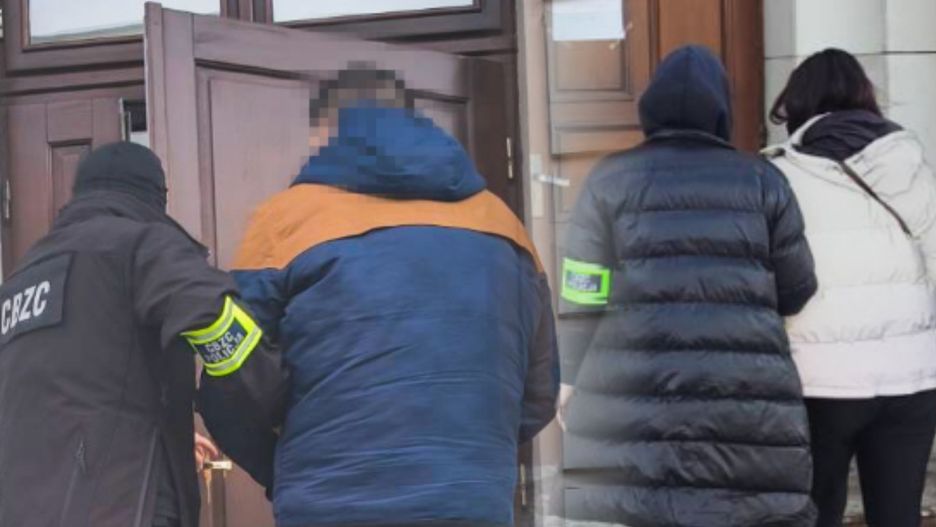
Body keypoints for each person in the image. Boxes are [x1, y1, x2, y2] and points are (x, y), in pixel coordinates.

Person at [223, 67, 559, 526]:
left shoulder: (285, 221)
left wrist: (288, 472)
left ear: (327, 131)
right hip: (470, 507)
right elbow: (539, 394)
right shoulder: (504, 226)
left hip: (331, 508)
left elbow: (233, 383)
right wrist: (465, 464)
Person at [558, 45, 818, 526]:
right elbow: (797, 289)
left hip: (636, 394)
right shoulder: (764, 180)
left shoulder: (609, 178)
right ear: (721, 110)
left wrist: (568, 375)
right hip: (744, 395)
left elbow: (583, 291)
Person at [0, 142, 287, 527]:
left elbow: (65, 398)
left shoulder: (19, 280)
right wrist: (273, 397)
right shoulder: (140, 244)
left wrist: (166, 434)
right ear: (155, 196)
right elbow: (213, 316)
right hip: (120, 506)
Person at [765, 48, 936, 527]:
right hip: (911, 375)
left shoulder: (779, 174)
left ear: (795, 102)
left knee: (814, 512)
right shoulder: (908, 161)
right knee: (898, 515)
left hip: (818, 379)